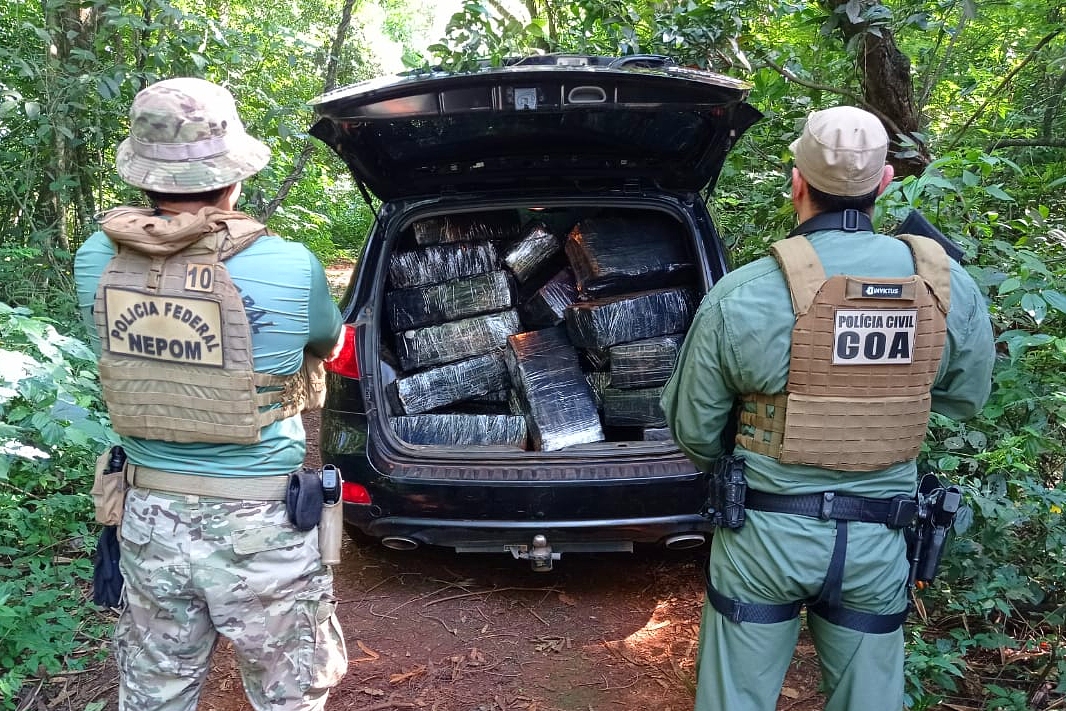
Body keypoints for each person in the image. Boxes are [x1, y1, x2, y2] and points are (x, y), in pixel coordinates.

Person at [661, 105, 995, 711]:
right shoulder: (945, 287)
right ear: (885, 182)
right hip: (881, 534)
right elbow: (965, 398)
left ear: (797, 183)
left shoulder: (744, 292)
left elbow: (694, 430)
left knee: (736, 699)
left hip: (764, 535)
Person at [74, 77, 348, 711]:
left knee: (154, 696)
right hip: (262, 526)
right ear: (234, 177)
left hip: (148, 520)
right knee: (289, 698)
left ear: (145, 177)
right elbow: (331, 347)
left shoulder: (95, 258)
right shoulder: (289, 264)